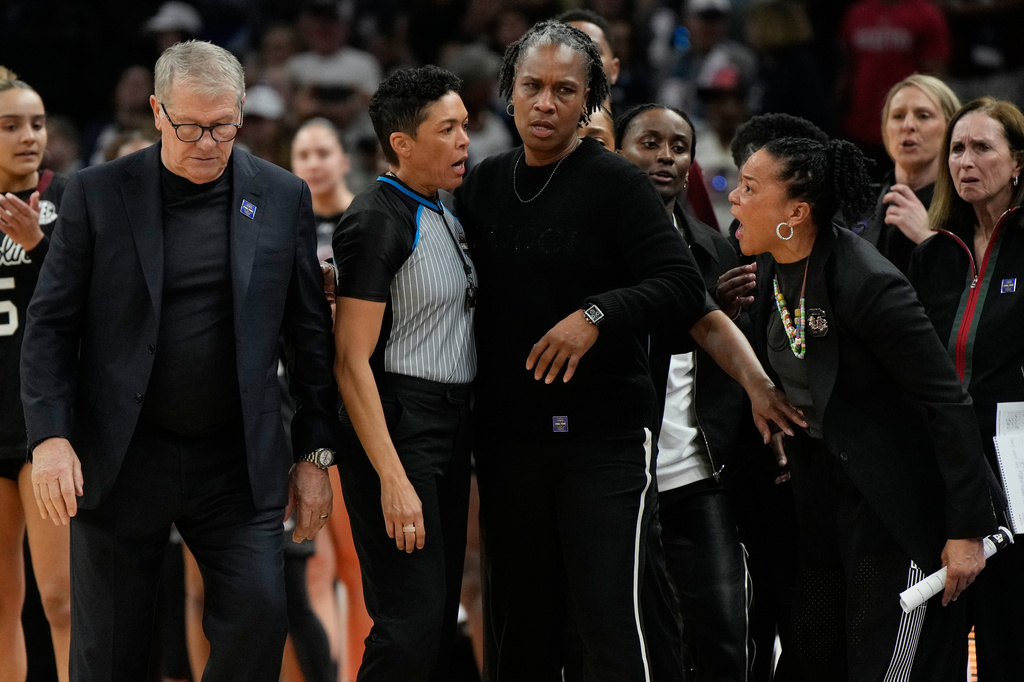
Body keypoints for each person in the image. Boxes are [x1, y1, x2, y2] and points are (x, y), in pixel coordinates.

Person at [456, 21, 801, 681]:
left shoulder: (617, 183)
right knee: (520, 629)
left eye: (564, 90)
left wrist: (595, 314)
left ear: (590, 99)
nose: (545, 103)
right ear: (509, 90)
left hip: (604, 438)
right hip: (509, 439)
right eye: (532, 86)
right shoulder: (484, 185)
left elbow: (680, 286)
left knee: (615, 623)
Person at [20, 40, 338, 681]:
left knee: (257, 622)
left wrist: (315, 454)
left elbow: (309, 339)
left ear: (242, 112)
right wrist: (51, 438)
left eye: (223, 125)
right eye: (190, 126)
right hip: (123, 457)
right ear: (159, 112)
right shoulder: (97, 194)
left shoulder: (280, 196)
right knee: (109, 653)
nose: (207, 142)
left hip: (236, 462)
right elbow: (50, 327)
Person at [729, 135, 1000, 681]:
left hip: (896, 507)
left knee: (886, 669)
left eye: (750, 188)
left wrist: (969, 529)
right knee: (815, 657)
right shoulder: (771, 270)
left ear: (796, 213)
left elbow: (946, 399)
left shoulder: (867, 282)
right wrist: (761, 390)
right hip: (826, 497)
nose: (734, 197)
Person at [332, 65, 475, 681]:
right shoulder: (375, 219)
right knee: (409, 625)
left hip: (450, 424)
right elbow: (349, 360)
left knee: (440, 622)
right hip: (399, 426)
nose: (465, 140)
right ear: (401, 143)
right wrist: (392, 477)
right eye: (448, 129)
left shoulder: (444, 211)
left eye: (465, 125)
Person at [616, 102, 753, 681]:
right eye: (649, 143)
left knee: (726, 638)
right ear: (618, 153)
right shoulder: (593, 248)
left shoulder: (718, 250)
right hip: (619, 477)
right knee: (646, 648)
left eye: (678, 146)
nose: (665, 157)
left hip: (700, 474)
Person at [909, 96, 1024, 682]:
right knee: (941, 649)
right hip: (946, 469)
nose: (964, 161)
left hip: (1018, 468)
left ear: (1019, 162)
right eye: (957, 149)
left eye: (982, 147)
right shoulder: (935, 256)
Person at [0, 67, 71, 682]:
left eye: (38, 123)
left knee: (61, 598)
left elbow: (98, 304)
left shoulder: (70, 199)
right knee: (1, 606)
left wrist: (39, 244)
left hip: (42, 425)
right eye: (11, 125)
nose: (29, 136)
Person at [858, 74, 961, 274]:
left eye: (923, 115)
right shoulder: (857, 207)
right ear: (885, 130)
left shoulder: (969, 208)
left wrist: (927, 238)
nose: (908, 125)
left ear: (952, 128)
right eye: (898, 116)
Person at [291, 117, 356, 262]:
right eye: (303, 155)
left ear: (345, 161)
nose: (313, 165)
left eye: (323, 153)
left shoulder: (367, 218)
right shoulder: (286, 224)